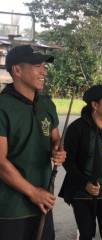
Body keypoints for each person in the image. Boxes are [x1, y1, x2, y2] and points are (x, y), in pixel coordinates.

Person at [0, 45, 66, 239]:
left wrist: (59, 150)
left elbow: (56, 139)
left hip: (42, 202)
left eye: (44, 66)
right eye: (37, 65)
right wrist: (32, 192)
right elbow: (0, 162)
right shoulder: (3, 107)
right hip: (10, 208)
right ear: (17, 70)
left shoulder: (46, 103)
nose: (43, 71)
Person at [58, 85, 102, 240]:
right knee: (86, 233)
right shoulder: (76, 128)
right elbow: (68, 162)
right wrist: (85, 184)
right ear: (95, 105)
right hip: (81, 193)